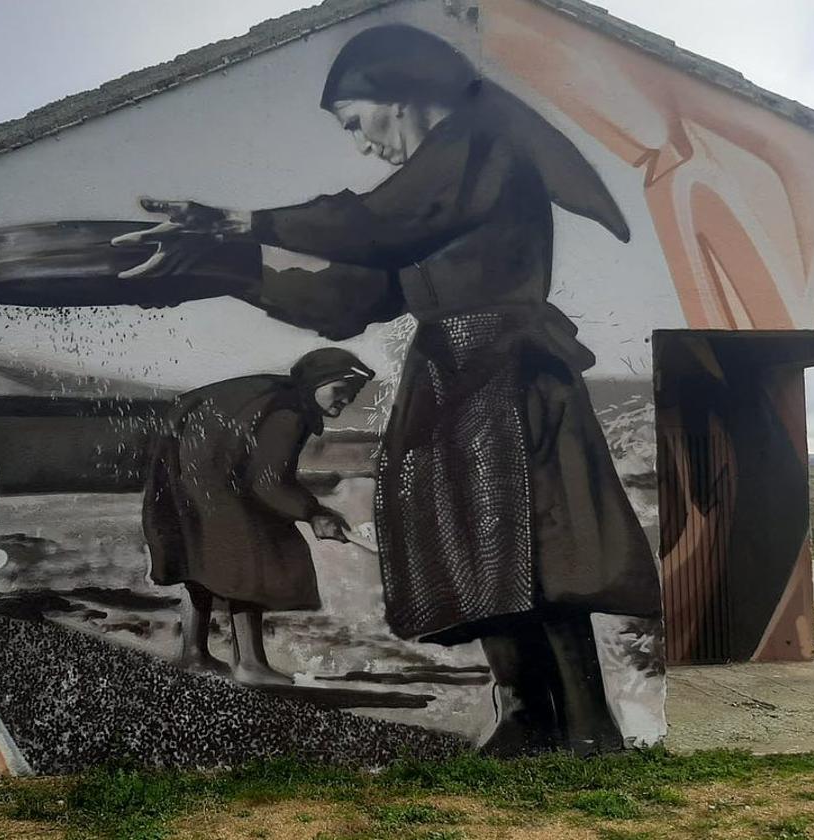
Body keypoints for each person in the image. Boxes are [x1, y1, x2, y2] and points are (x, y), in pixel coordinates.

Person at [116, 25, 661, 755]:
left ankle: (591, 726)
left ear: (399, 96)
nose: (363, 146)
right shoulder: (426, 205)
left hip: (508, 372)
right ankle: (527, 713)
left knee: (536, 545)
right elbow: (348, 297)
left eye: (355, 123)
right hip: (447, 381)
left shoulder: (476, 147)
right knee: (466, 545)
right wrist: (220, 269)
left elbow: (378, 222)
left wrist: (243, 221)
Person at [142, 348, 374, 687]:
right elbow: (268, 481)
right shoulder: (289, 410)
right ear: (317, 381)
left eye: (353, 393)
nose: (347, 399)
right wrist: (313, 513)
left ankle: (193, 653)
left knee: (198, 560)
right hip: (218, 482)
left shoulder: (272, 394)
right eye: (342, 389)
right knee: (253, 558)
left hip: (183, 475)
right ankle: (249, 663)